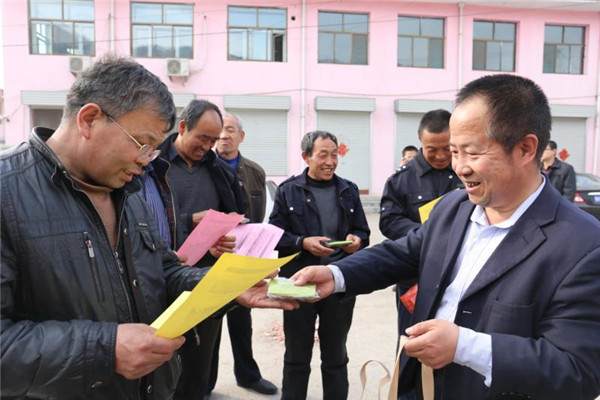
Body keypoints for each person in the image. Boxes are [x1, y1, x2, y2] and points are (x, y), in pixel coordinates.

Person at [0, 56, 297, 400]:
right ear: (90, 119)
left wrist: (224, 287)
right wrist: (104, 350)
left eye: (154, 150)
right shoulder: (8, 192)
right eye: (142, 143)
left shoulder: (129, 189)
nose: (146, 160)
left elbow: (163, 272)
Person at [292, 74, 600, 399]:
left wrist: (465, 347)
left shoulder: (583, 246)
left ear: (525, 148)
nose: (459, 167)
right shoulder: (454, 206)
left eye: (472, 152)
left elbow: (577, 370)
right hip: (420, 386)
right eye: (455, 151)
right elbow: (402, 253)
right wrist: (336, 274)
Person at [269, 131, 370, 400]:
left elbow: (364, 231)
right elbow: (275, 235)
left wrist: (356, 241)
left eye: (334, 154)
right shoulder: (288, 191)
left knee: (336, 355)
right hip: (299, 283)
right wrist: (303, 242)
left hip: (338, 283)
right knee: (296, 356)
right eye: (322, 154)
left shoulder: (348, 190)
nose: (330, 161)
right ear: (306, 156)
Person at [156, 99, 244, 400]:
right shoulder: (152, 165)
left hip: (206, 279)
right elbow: (137, 219)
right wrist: (189, 221)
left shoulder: (220, 172)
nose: (208, 146)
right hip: (160, 279)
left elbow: (232, 219)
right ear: (182, 127)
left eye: (213, 140)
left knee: (198, 367)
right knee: (160, 363)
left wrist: (224, 242)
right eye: (202, 138)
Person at [206, 112, 277, 395]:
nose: (225, 135)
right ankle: (205, 382)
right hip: (208, 258)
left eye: (231, 130)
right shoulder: (204, 167)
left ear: (241, 136)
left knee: (241, 320)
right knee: (209, 325)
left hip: (242, 256)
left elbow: (258, 215)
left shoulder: (255, 172)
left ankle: (247, 375)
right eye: (221, 131)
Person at [380, 109, 462, 240]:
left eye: (447, 148)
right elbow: (389, 222)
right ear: (420, 140)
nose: (440, 156)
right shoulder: (400, 179)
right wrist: (426, 233)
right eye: (432, 150)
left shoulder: (468, 171)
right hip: (419, 254)